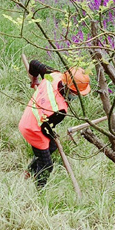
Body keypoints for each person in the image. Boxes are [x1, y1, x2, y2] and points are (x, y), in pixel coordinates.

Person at [19, 59, 91, 188]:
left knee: (52, 147)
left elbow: (34, 63)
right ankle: (39, 190)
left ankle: (30, 171)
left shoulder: (53, 75)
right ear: (69, 90)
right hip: (33, 129)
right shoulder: (60, 109)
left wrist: (34, 79)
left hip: (30, 115)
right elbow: (45, 128)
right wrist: (52, 135)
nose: (77, 96)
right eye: (76, 93)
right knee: (47, 165)